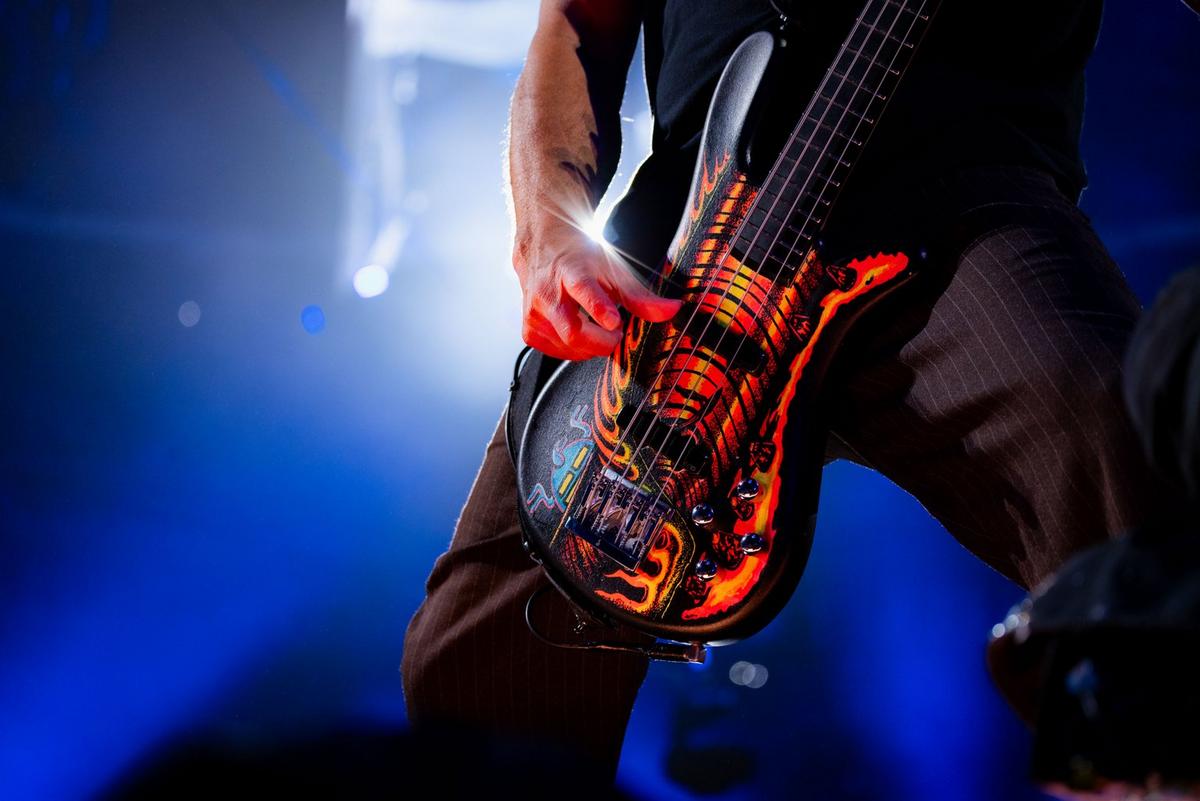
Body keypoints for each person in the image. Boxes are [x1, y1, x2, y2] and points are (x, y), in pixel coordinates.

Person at [401, 0, 1187, 780]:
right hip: (697, 220)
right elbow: (578, 20)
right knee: (481, 675)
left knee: (1135, 471)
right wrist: (547, 224)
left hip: (963, 199)